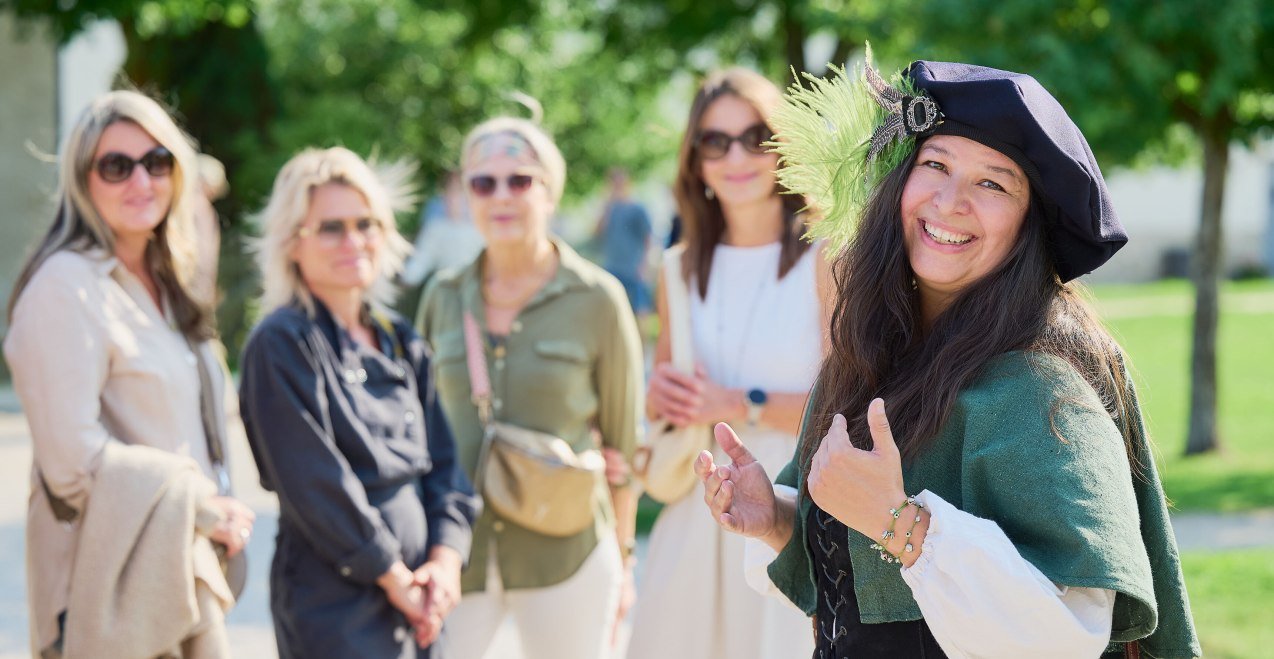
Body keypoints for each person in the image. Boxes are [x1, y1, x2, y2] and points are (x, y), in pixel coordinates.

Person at [697, 55, 1201, 658]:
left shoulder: (1043, 387)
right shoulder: (868, 353)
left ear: (1028, 223)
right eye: (935, 164)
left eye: (993, 183)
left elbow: (1071, 631)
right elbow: (850, 581)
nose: (951, 200)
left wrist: (901, 524)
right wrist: (776, 517)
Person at [4, 90, 252, 658]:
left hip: (180, 570)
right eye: (116, 166)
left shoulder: (168, 282)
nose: (141, 180)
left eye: (157, 161)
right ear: (83, 179)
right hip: (109, 590)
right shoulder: (65, 286)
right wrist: (199, 505)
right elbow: (72, 463)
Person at [416, 116, 643, 659]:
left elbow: (623, 445)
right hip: (456, 557)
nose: (501, 196)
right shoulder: (442, 296)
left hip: (568, 553)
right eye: (483, 182)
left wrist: (625, 559)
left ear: (549, 190)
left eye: (519, 180)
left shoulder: (597, 298)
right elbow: (415, 427)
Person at [238, 147, 477, 659]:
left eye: (365, 223)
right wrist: (394, 579)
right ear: (291, 242)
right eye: (330, 227)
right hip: (336, 606)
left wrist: (446, 559)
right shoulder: (281, 343)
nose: (352, 241)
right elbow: (316, 484)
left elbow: (446, 468)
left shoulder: (401, 340)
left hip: (422, 597)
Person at [626, 67, 830, 659]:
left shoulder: (830, 256)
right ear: (695, 160)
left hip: (790, 507)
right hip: (698, 509)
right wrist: (660, 394)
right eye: (716, 141)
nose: (736, 156)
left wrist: (739, 403)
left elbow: (851, 406)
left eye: (755, 137)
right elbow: (662, 393)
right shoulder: (677, 267)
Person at [400, 170, 484, 290]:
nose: (455, 198)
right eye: (451, 191)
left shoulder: (485, 230)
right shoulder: (436, 229)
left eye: (461, 191)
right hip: (449, 294)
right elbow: (416, 268)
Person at [595, 167, 654, 316]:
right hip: (612, 266)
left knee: (640, 308)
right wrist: (606, 206)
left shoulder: (638, 209)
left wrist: (644, 266)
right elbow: (597, 232)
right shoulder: (609, 209)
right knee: (610, 308)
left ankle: (642, 339)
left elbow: (648, 239)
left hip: (633, 267)